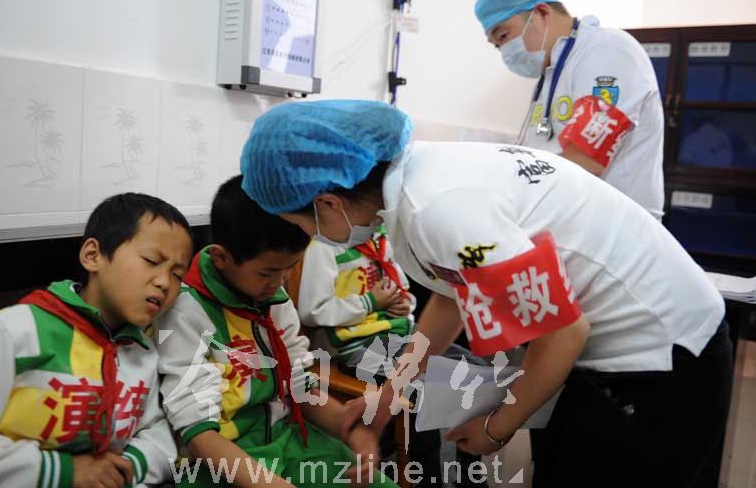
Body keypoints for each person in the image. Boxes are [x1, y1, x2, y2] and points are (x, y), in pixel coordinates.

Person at [239, 99, 733, 488]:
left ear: (328, 201)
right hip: (613, 347)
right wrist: (388, 397)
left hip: (662, 355)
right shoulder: (416, 183)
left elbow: (564, 333)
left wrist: (497, 428)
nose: (310, 236)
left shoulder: (439, 208)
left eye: (301, 223)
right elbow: (452, 294)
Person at [0, 193, 194, 487]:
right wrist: (62, 471)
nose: (164, 282)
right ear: (92, 256)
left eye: (177, 274)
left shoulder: (142, 350)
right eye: (151, 261)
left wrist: (125, 468)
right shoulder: (18, 331)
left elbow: (157, 435)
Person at [154, 175, 397, 488]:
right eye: (267, 272)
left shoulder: (272, 299)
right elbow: (199, 436)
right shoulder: (185, 313)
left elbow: (299, 385)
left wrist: (350, 428)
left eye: (290, 268)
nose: (280, 282)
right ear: (221, 258)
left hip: (285, 438)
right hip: (218, 461)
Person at [475, 0, 665, 219]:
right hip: (574, 221)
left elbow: (586, 158)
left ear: (542, 13)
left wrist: (513, 189)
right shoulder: (551, 74)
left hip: (617, 225)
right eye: (497, 46)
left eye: (503, 35)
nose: (504, 50)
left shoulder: (607, 51)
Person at [297, 225, 415, 381]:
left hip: (399, 330)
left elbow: (401, 285)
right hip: (360, 345)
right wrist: (369, 302)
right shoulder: (324, 246)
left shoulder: (379, 234)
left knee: (445, 362)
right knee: (424, 379)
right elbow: (313, 312)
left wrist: (405, 302)